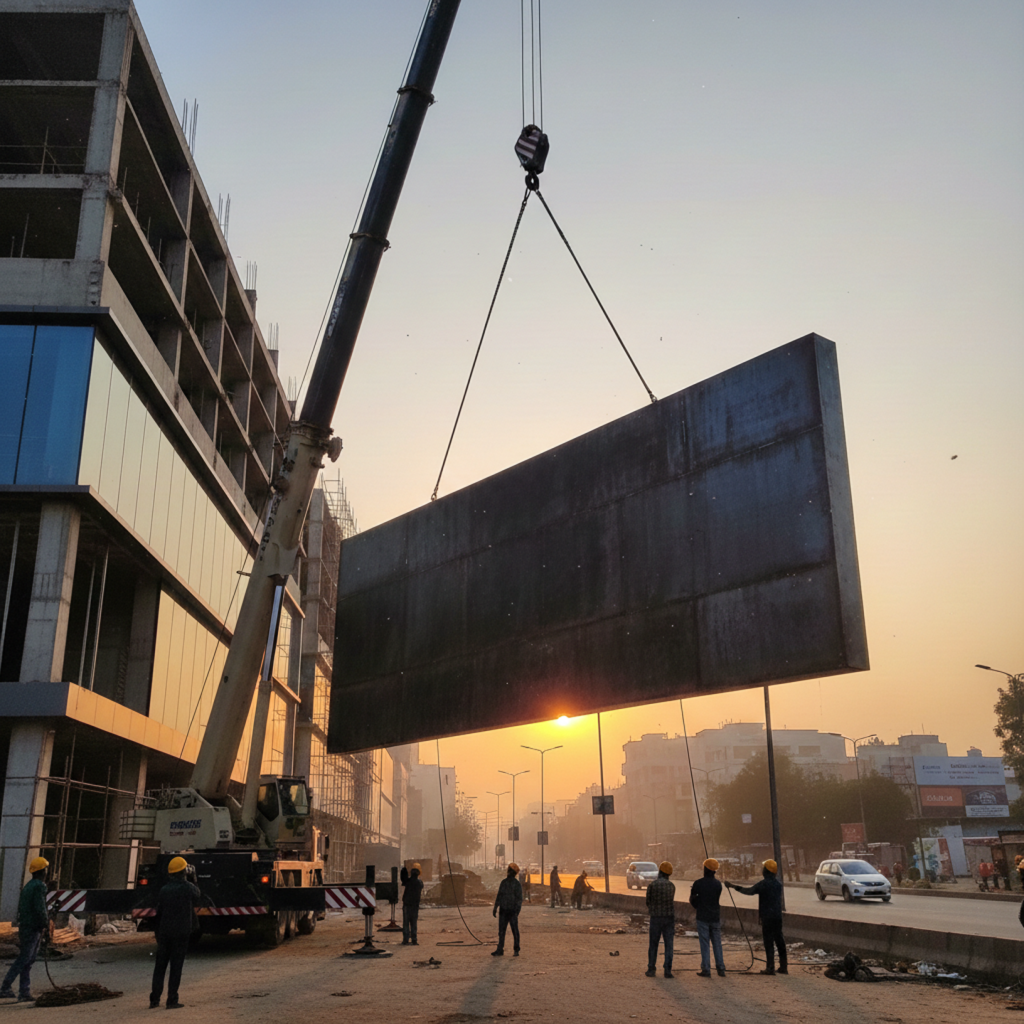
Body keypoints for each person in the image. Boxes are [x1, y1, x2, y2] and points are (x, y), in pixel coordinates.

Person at [149, 856, 205, 1009]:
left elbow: (160, 911)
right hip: (181, 932)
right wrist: (193, 878)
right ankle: (172, 1000)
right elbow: (197, 895)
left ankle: (154, 1000)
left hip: (165, 932)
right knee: (176, 966)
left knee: (160, 966)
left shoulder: (164, 890)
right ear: (183, 872)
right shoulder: (188, 888)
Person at [0, 856, 49, 1003]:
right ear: (43, 871)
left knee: (28, 960)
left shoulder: (29, 886)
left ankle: (24, 991)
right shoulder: (39, 886)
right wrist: (45, 924)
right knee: (25, 959)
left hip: (26, 926)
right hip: (33, 927)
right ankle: (6, 987)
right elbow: (40, 908)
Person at [726, 859, 787, 976]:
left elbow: (749, 891)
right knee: (779, 940)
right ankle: (783, 967)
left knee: (768, 942)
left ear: (766, 871)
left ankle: (770, 968)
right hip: (777, 916)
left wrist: (733, 886)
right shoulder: (778, 885)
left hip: (767, 917)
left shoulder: (763, 884)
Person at [689, 858, 726, 978]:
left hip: (702, 917)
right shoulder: (718, 884)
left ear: (705, 869)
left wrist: (698, 907)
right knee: (717, 943)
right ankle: (721, 968)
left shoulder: (698, 883)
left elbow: (692, 899)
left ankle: (706, 968)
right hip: (715, 917)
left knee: (704, 944)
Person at [645, 860, 676, 979]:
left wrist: (653, 909)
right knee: (669, 945)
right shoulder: (671, 886)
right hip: (669, 918)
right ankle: (667, 970)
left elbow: (648, 901)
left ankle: (651, 968)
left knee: (653, 944)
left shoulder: (652, 885)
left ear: (660, 872)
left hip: (656, 918)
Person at [492, 862, 523, 956]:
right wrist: (495, 907)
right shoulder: (513, 883)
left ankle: (503, 949)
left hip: (508, 911)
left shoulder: (507, 883)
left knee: (506, 931)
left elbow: (518, 899)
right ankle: (511, 949)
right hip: (508, 911)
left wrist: (495, 907)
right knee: (511, 931)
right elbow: (518, 899)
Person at [401, 863, 423, 946]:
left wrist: (403, 870)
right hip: (415, 905)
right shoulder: (419, 883)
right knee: (414, 923)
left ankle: (405, 939)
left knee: (406, 923)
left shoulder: (408, 881)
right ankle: (414, 940)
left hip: (407, 904)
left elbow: (403, 880)